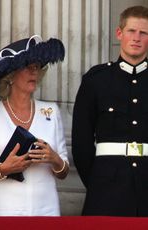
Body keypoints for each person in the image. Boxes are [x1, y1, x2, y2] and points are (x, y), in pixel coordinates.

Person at [0, 34, 69, 216]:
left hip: (46, 210)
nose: (34, 71)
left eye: (37, 67)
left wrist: (54, 158)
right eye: (28, 66)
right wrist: (6, 169)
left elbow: (63, 171)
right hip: (3, 210)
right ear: (10, 76)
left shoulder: (51, 111)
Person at [72, 5, 148, 216]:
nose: (137, 38)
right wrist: (98, 181)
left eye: (143, 33)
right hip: (106, 188)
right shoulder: (96, 80)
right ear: (119, 33)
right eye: (131, 31)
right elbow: (82, 144)